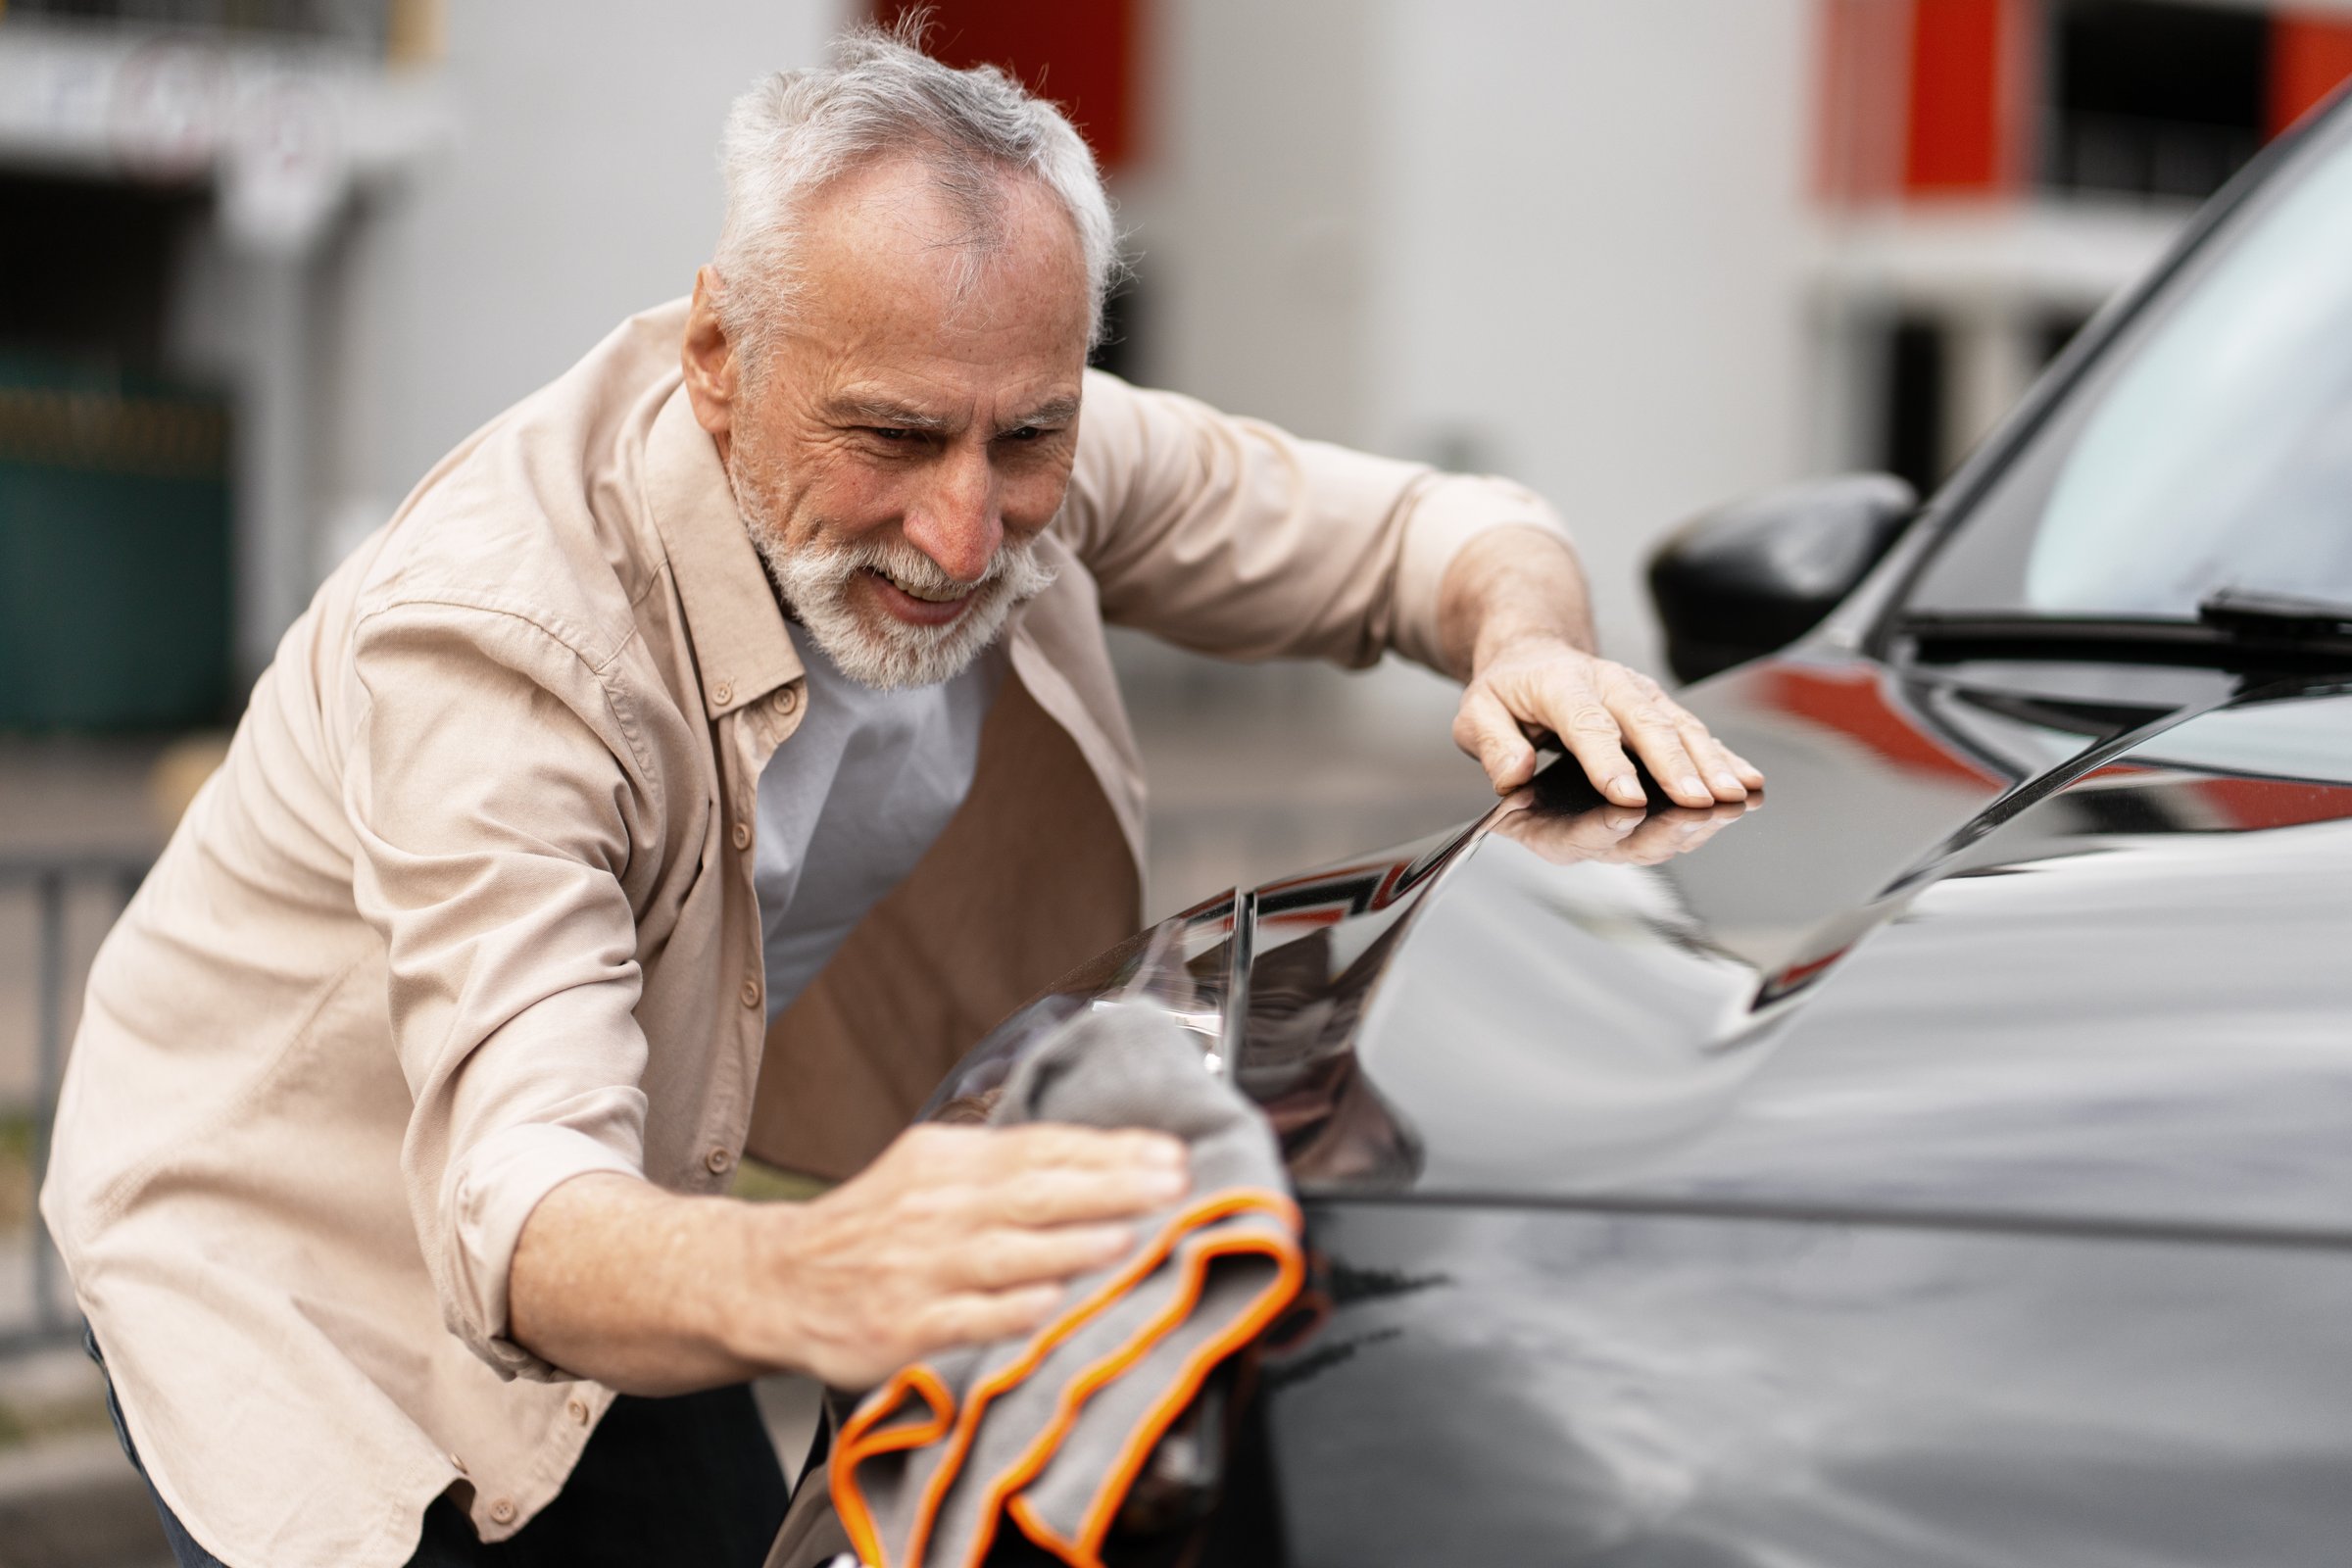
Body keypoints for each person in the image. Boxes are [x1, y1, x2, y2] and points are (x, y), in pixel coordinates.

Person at [42, 24, 1759, 1568]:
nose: (963, 535)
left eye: (1026, 442)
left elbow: (1436, 531)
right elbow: (514, 1208)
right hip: (300, 1250)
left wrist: (1530, 645)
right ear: (718, 355)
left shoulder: (997, 419)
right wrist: (828, 1270)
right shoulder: (503, 648)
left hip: (638, 1190)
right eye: (890, 441)